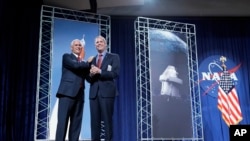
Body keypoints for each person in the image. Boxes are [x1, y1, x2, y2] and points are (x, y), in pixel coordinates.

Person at [55, 39, 93, 141]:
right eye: (76, 45)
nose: (78, 47)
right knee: (62, 123)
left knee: (76, 125)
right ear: (71, 47)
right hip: (66, 94)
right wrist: (88, 63)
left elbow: (88, 78)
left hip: (80, 95)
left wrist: (94, 72)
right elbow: (76, 66)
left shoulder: (83, 63)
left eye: (80, 45)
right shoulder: (67, 57)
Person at [86, 35, 120, 141]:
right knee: (94, 122)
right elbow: (88, 78)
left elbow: (115, 74)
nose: (99, 43)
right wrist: (91, 74)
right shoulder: (92, 59)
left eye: (101, 42)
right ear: (95, 45)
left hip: (107, 93)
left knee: (107, 121)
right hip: (94, 93)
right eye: (97, 42)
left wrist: (99, 71)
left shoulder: (114, 57)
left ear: (105, 44)